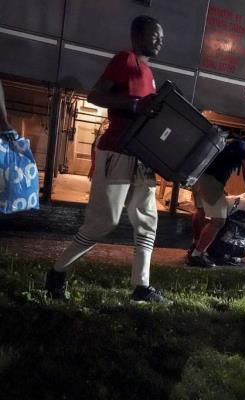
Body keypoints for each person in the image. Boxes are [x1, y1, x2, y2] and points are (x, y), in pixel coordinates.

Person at [44, 16, 169, 303]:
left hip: (141, 157)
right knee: (104, 222)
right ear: (138, 36)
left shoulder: (149, 72)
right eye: (155, 36)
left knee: (148, 221)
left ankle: (141, 286)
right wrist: (133, 104)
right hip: (116, 152)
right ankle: (57, 272)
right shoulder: (125, 60)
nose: (160, 41)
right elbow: (96, 96)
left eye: (161, 37)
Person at [187, 136, 245, 268]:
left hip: (198, 177)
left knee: (201, 212)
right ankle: (197, 255)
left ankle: (195, 246)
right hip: (210, 181)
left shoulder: (229, 145)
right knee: (218, 221)